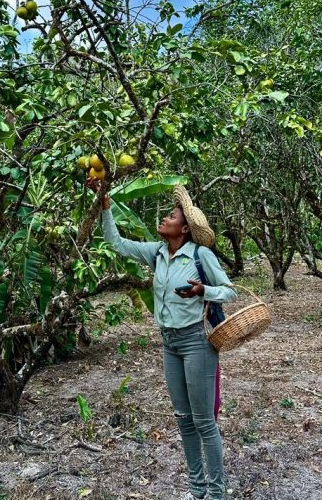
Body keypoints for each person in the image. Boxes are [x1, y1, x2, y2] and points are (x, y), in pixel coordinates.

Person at [85, 178, 237, 500]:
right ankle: (198, 491)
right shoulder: (156, 253)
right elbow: (116, 243)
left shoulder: (200, 255)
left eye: (172, 217)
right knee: (183, 420)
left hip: (197, 341)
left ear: (183, 230)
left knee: (204, 422)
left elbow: (229, 290)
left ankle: (217, 493)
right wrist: (105, 206)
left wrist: (202, 290)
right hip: (169, 344)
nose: (165, 219)